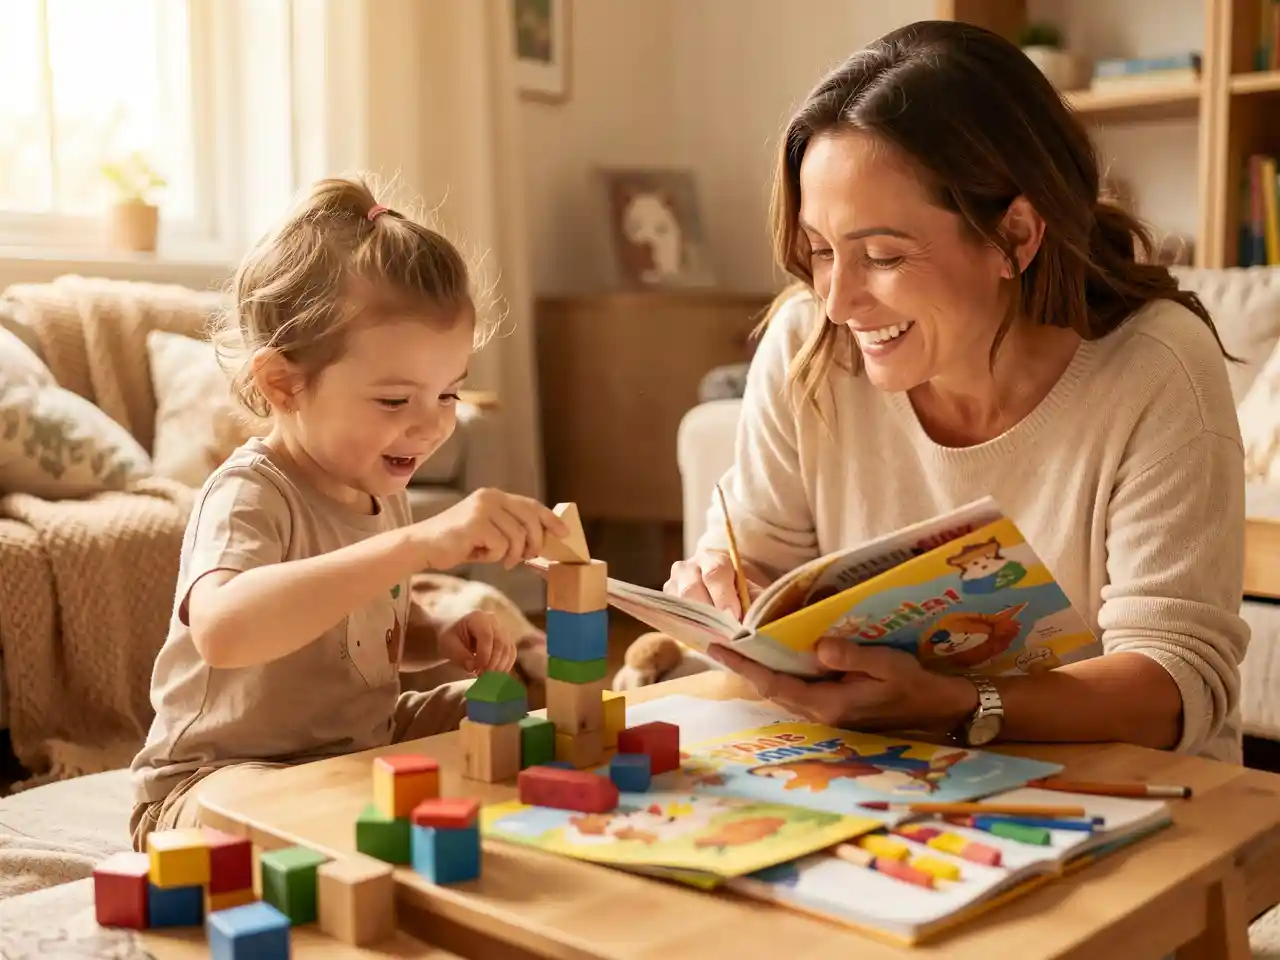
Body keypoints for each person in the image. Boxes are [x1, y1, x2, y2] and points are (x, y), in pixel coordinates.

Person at [666, 20, 1250, 764]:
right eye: (819, 251)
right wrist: (721, 591)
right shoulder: (810, 346)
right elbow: (762, 567)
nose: (839, 301)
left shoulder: (1155, 367)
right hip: (890, 782)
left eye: (881, 254)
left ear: (1015, 236)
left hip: (1134, 796)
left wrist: (957, 706)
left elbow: (1173, 685)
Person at [130, 175, 566, 849]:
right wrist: (416, 547)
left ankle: (409, 825)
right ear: (284, 383)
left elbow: (366, 631)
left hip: (349, 751)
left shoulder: (379, 493)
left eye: (449, 395)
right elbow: (223, 630)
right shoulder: (251, 493)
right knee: (277, 819)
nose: (430, 427)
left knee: (514, 713)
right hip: (218, 778)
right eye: (395, 401)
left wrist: (438, 635)